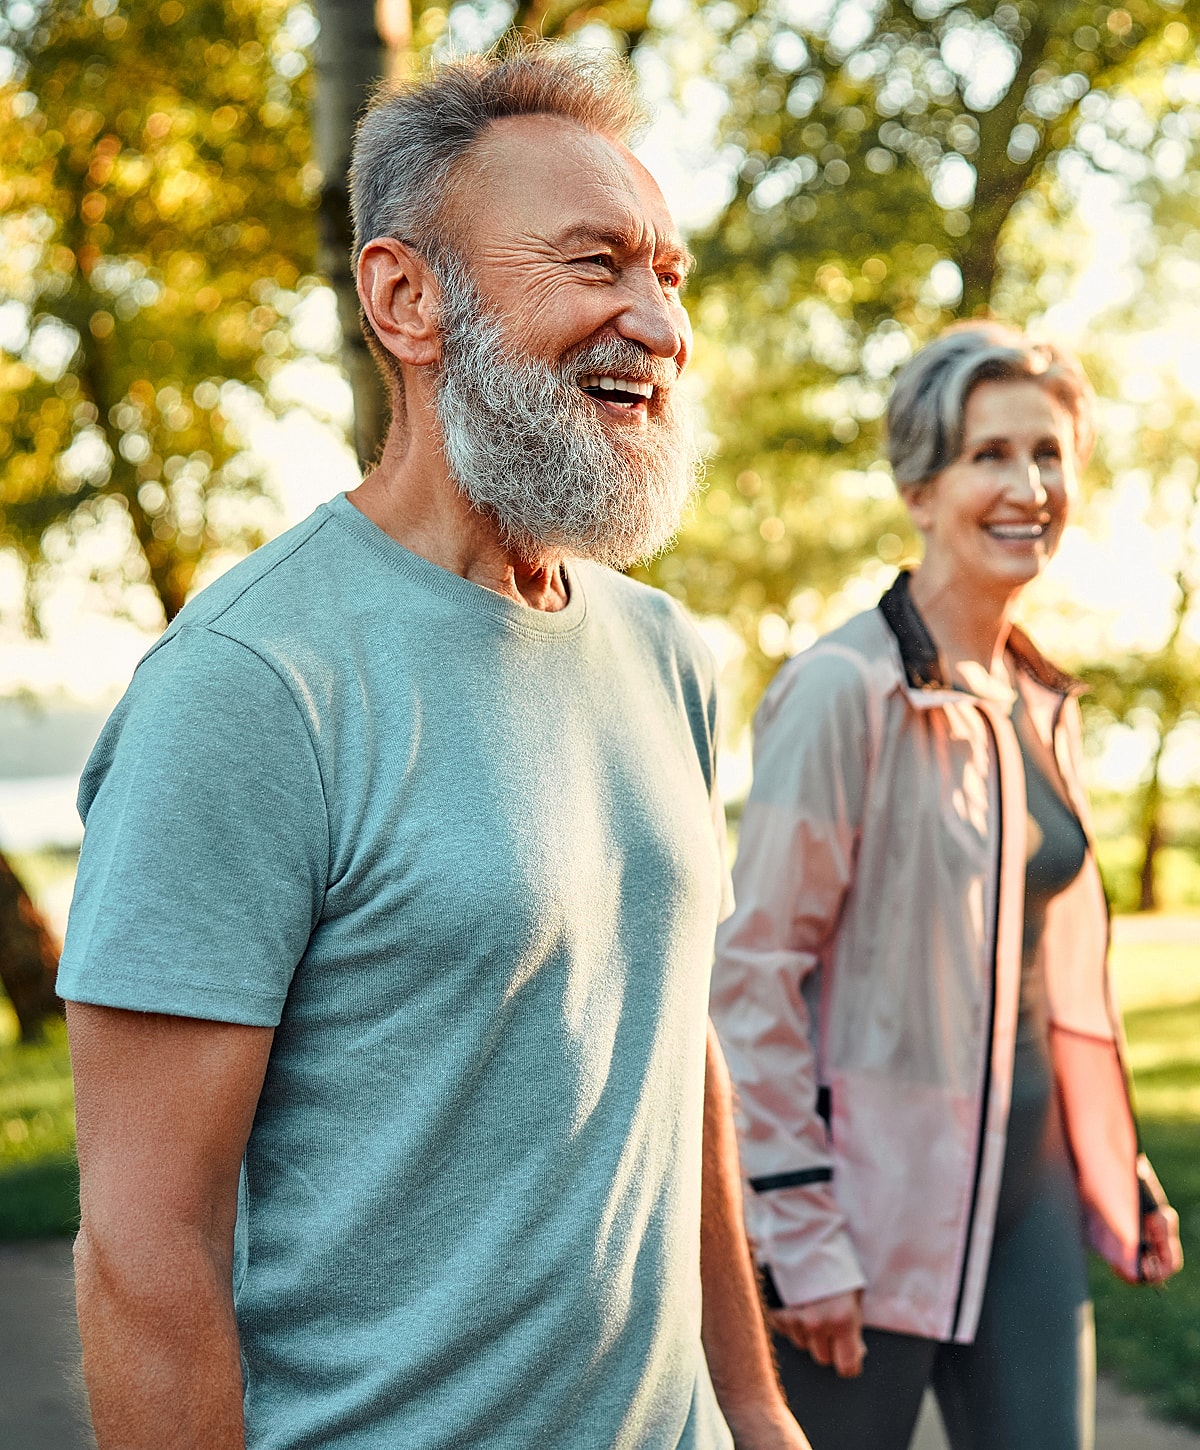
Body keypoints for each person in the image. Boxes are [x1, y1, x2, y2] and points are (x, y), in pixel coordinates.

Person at [58, 47, 811, 1450]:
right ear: (406, 298)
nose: (653, 321)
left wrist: (753, 1403)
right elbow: (143, 1252)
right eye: (595, 263)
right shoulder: (247, 687)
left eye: (669, 274)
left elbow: (672, 1044)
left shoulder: (664, 655)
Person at [710, 321, 1183, 1450]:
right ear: (920, 488)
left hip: (1031, 1208)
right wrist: (799, 1232)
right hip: (865, 1223)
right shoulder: (842, 689)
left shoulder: (1038, 696)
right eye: (990, 455)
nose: (1029, 486)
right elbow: (753, 977)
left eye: (1049, 454)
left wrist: (1116, 1156)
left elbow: (1032, 973)